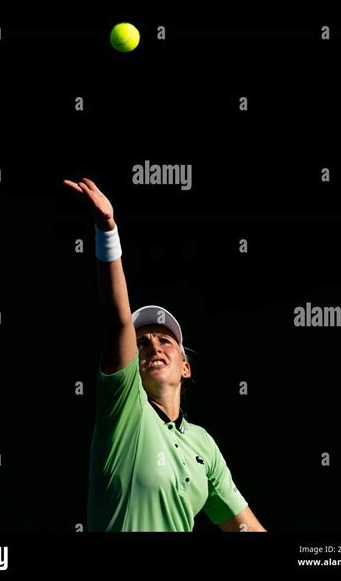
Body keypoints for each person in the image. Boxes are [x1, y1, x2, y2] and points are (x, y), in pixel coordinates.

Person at [64, 176, 267, 533]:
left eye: (165, 341)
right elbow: (118, 322)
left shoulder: (202, 443)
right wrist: (107, 231)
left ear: (185, 368)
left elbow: (244, 528)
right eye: (142, 343)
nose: (154, 346)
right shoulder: (124, 407)